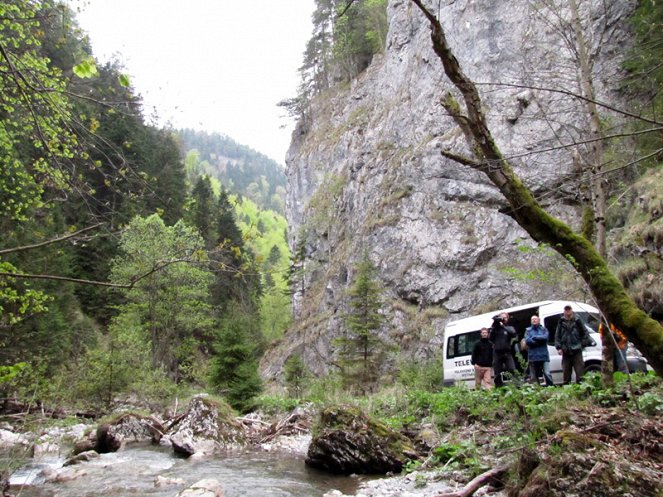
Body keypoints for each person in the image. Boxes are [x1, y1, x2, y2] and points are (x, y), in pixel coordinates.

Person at [554, 304, 589, 384]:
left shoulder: (578, 320)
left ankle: (581, 390)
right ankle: (568, 391)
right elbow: (557, 335)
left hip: (576, 350)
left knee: (580, 373)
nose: (568, 311)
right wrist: (558, 347)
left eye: (569, 309)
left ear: (572, 310)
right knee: (566, 374)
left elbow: (585, 333)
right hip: (565, 351)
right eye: (566, 309)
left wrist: (582, 344)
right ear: (564, 311)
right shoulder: (561, 321)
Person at [489, 312, 517, 387]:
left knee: (512, 369)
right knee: (497, 373)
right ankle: (499, 387)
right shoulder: (495, 328)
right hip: (497, 353)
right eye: (502, 317)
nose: (504, 318)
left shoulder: (509, 327)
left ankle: (517, 386)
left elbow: (513, 333)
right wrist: (495, 322)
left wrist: (503, 326)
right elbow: (490, 338)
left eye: (505, 317)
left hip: (507, 353)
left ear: (507, 319)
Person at [525, 315, 554, 386]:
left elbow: (545, 338)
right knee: (534, 376)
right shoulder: (528, 330)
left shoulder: (544, 329)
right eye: (532, 319)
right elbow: (528, 341)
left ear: (539, 320)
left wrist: (534, 337)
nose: (534, 320)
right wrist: (539, 341)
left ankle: (551, 387)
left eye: (535, 319)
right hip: (533, 356)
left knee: (547, 373)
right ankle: (537, 390)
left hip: (543, 355)